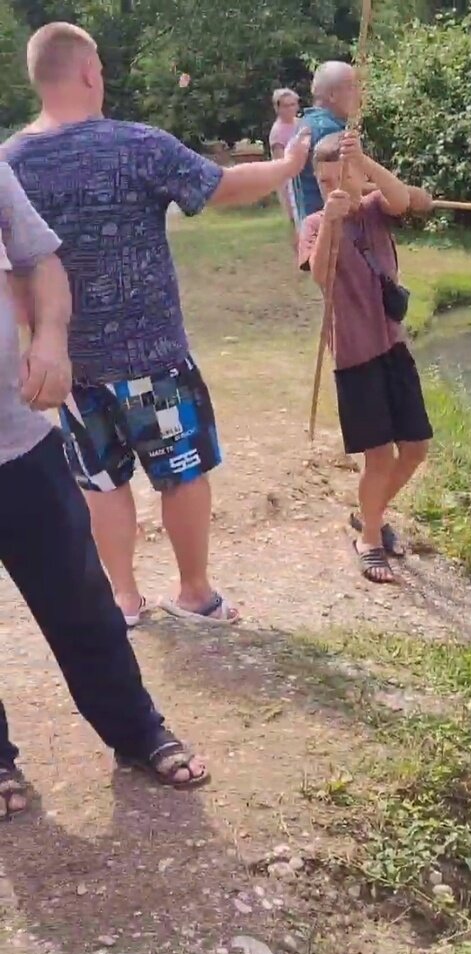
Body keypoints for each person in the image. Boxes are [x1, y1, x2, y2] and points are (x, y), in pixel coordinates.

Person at [4, 22, 310, 628]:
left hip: (70, 366)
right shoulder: (137, 144)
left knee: (101, 482)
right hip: (153, 356)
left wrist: (38, 341)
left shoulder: (8, 162)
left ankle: (124, 599)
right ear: (89, 71)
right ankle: (195, 594)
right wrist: (289, 165)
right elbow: (223, 186)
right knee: (182, 472)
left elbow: (14, 268)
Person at [0, 161, 210, 819]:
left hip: (16, 440)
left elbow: (39, 259)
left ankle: (136, 731)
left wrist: (51, 338)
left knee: (82, 601)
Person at [298, 131, 434, 584]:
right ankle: (370, 540)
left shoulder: (375, 208)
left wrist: (365, 162)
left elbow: (404, 200)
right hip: (356, 355)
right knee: (378, 456)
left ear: (358, 176)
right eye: (323, 182)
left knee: (415, 449)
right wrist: (331, 222)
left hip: (393, 346)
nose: (332, 188)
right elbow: (320, 275)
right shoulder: (315, 225)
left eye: (340, 178)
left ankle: (369, 515)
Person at [290, 61, 360, 230]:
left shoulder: (306, 124)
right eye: (352, 87)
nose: (359, 94)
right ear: (332, 95)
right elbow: (348, 188)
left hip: (311, 227)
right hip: (331, 230)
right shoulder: (328, 131)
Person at [269, 87, 300, 232]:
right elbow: (281, 164)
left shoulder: (300, 123)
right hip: (290, 184)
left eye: (293, 104)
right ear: (278, 108)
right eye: (286, 106)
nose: (290, 109)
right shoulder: (277, 132)